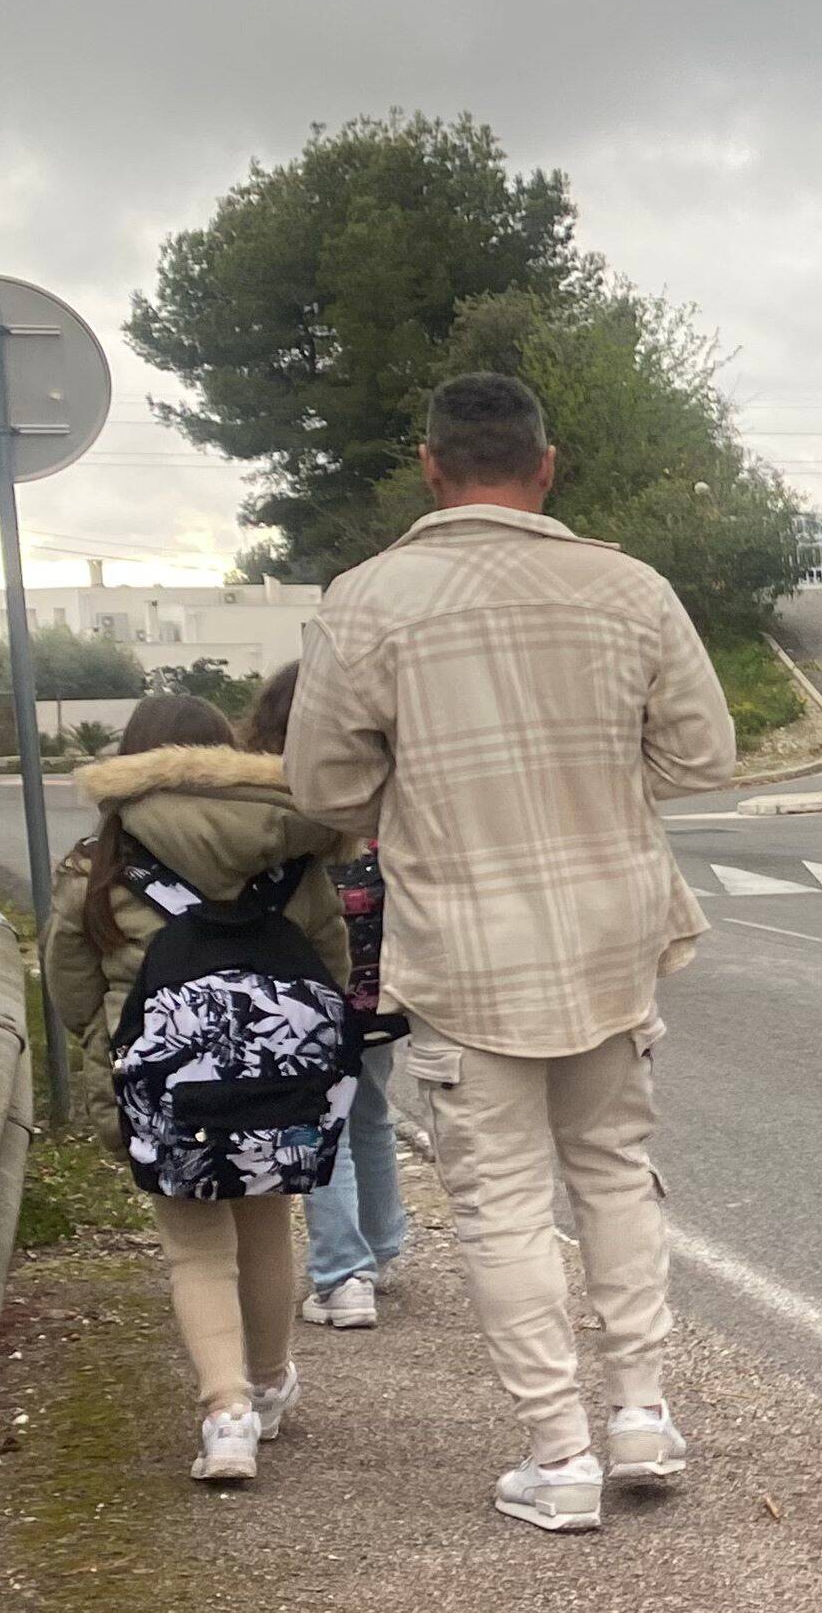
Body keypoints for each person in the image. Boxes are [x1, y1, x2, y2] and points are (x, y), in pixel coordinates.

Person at [285, 370, 738, 1534]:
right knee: (615, 1172)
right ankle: (643, 1413)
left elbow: (322, 785)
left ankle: (559, 1454)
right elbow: (705, 754)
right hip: (612, 936)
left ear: (431, 467)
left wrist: (417, 782)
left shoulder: (366, 602)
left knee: (499, 1204)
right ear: (547, 467)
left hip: (466, 945)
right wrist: (601, 772)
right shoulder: (628, 588)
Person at [44, 690, 358, 1486]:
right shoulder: (292, 855)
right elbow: (331, 960)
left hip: (168, 1087)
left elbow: (68, 984)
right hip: (278, 1081)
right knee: (265, 1226)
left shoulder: (97, 864)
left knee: (194, 1249)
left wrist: (113, 1050)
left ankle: (226, 1417)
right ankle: (272, 1382)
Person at [242, 662, 409, 1330]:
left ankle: (344, 1277)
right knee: (370, 1114)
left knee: (320, 1129)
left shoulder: (270, 799)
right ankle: (384, 1245)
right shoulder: (382, 787)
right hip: (383, 993)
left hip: (304, 996)